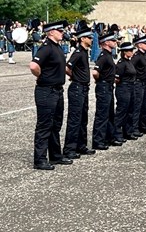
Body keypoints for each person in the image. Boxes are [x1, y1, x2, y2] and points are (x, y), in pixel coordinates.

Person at [29, 20, 73, 170]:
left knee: (56, 125)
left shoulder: (57, 47)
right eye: (59, 31)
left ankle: (55, 156)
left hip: (57, 90)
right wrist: (41, 76)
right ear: (51, 32)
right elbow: (34, 65)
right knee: (44, 126)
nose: (62, 33)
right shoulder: (47, 47)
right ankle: (40, 159)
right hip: (46, 91)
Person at [63, 22, 96, 160]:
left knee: (83, 118)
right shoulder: (77, 53)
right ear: (82, 39)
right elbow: (67, 67)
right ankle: (69, 149)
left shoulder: (84, 52)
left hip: (83, 88)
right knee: (74, 119)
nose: (91, 39)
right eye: (89, 37)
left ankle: (80, 145)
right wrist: (74, 77)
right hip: (77, 88)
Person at [91, 31, 119, 150]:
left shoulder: (109, 55)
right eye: (113, 41)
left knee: (109, 114)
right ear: (106, 42)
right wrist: (101, 80)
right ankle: (98, 141)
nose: (115, 42)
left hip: (108, 86)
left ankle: (109, 137)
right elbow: (95, 72)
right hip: (103, 86)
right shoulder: (103, 56)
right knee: (102, 114)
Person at [113, 42, 137, 143]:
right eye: (130, 50)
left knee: (130, 111)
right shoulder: (121, 64)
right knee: (122, 111)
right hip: (123, 88)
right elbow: (117, 78)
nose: (132, 52)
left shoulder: (129, 62)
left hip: (131, 87)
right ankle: (117, 134)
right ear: (124, 52)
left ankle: (128, 131)